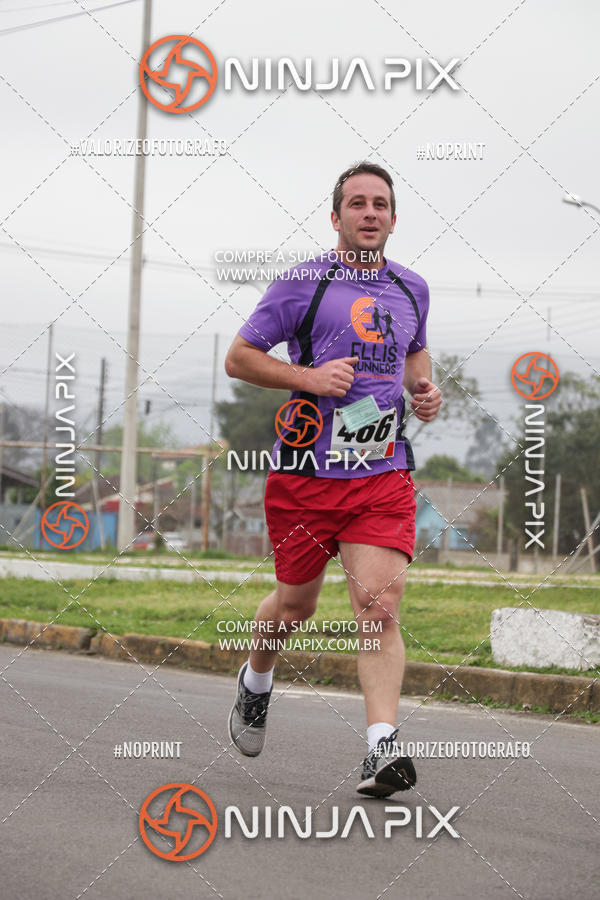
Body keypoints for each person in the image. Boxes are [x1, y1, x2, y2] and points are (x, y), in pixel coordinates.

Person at [224, 161, 442, 797]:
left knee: (378, 605)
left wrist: (425, 392)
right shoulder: (302, 284)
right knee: (296, 605)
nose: (369, 213)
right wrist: (309, 379)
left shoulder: (412, 289)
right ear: (336, 216)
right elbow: (240, 359)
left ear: (394, 218)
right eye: (357, 203)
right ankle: (257, 679)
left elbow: (415, 354)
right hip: (307, 476)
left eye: (380, 204)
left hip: (381, 474)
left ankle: (381, 749)